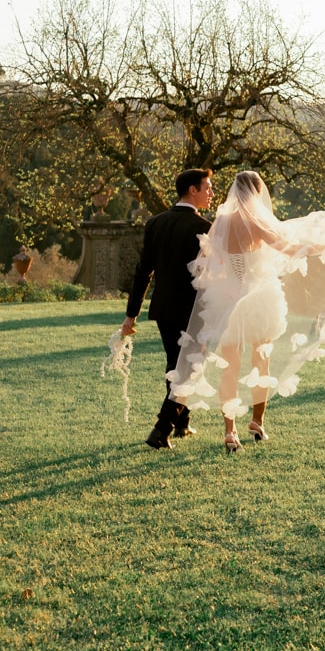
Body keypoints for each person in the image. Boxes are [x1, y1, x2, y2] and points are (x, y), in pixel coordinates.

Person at [168, 171, 325, 453]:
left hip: (226, 300)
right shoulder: (258, 224)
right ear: (256, 194)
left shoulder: (222, 222)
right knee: (260, 362)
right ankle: (257, 423)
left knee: (229, 366)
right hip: (258, 299)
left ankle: (230, 432)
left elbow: (207, 260)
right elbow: (291, 249)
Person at [122, 168, 214, 450]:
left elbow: (143, 272)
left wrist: (131, 314)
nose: (211, 192)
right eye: (207, 187)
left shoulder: (155, 223)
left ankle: (182, 424)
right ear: (192, 190)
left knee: (175, 364)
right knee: (188, 367)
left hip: (162, 308)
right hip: (191, 311)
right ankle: (161, 429)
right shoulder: (204, 228)